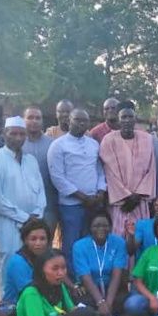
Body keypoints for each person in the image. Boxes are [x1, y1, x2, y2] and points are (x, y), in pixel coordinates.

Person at [0, 117, 47, 300]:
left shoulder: (31, 160)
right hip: (8, 226)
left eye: (21, 134)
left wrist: (38, 214)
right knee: (9, 268)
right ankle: (9, 312)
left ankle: (34, 310)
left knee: (35, 267)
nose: (18, 138)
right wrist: (26, 218)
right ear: (4, 135)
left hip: (34, 226)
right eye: (13, 133)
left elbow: (41, 192)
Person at [47, 109, 108, 269]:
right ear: (69, 121)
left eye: (85, 121)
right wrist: (83, 197)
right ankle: (73, 283)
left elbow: (100, 171)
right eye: (77, 120)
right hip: (71, 205)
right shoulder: (58, 145)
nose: (81, 124)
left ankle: (90, 279)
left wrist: (101, 192)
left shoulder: (93, 144)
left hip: (94, 203)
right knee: (72, 245)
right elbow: (57, 177)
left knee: (91, 242)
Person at [99, 101, 156, 236]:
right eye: (123, 117)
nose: (127, 120)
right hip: (120, 203)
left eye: (130, 117)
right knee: (119, 237)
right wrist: (125, 196)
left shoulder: (147, 139)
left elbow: (151, 170)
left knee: (140, 236)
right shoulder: (108, 140)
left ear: (135, 119)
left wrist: (137, 196)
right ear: (118, 119)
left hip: (140, 201)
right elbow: (109, 173)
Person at [72, 211, 128, 316]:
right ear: (90, 228)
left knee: (127, 305)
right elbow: (85, 276)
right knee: (83, 307)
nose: (101, 229)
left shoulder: (119, 242)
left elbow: (117, 274)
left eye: (105, 225)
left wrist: (108, 303)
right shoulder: (79, 246)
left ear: (110, 227)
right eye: (96, 226)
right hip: (90, 289)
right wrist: (100, 302)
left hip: (112, 289)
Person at [21, 106, 58, 232]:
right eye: (30, 117)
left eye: (38, 118)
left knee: (46, 241)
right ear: (23, 120)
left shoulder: (52, 144)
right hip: (23, 204)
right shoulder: (17, 144)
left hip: (49, 203)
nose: (34, 121)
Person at [3, 218, 52, 305]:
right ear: (25, 240)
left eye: (42, 239)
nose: (38, 243)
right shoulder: (17, 262)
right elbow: (29, 294)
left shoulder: (48, 258)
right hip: (16, 308)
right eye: (33, 239)